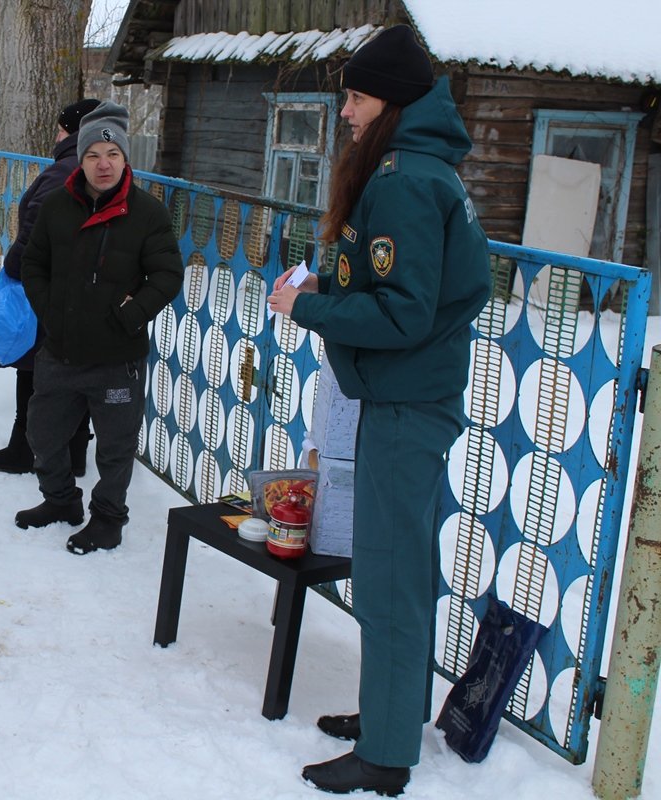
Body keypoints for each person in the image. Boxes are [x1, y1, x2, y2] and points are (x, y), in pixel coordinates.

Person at [266, 25, 491, 796]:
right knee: (406, 570)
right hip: (415, 396)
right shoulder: (427, 168)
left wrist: (309, 307)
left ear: (390, 103)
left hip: (404, 402)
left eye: (357, 98)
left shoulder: (403, 181)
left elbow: (402, 313)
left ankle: (386, 756)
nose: (347, 113)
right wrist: (328, 290)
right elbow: (413, 290)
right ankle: (395, 710)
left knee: (390, 578)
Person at [17, 101, 183, 555]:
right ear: (81, 159)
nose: (103, 164)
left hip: (116, 358)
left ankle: (108, 519)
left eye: (112, 154)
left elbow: (168, 274)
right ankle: (60, 500)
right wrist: (50, 312)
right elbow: (33, 264)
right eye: (93, 155)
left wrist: (131, 314)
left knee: (114, 447)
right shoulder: (57, 206)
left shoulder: (147, 213)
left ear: (125, 158)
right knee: (42, 434)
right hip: (61, 351)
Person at [0, 98, 100, 476]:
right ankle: (75, 452)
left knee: (33, 365)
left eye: (61, 129)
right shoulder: (107, 168)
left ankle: (23, 449)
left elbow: (37, 226)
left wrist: (15, 269)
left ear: (72, 131)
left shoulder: (65, 170)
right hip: (91, 287)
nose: (56, 136)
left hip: (53, 285)